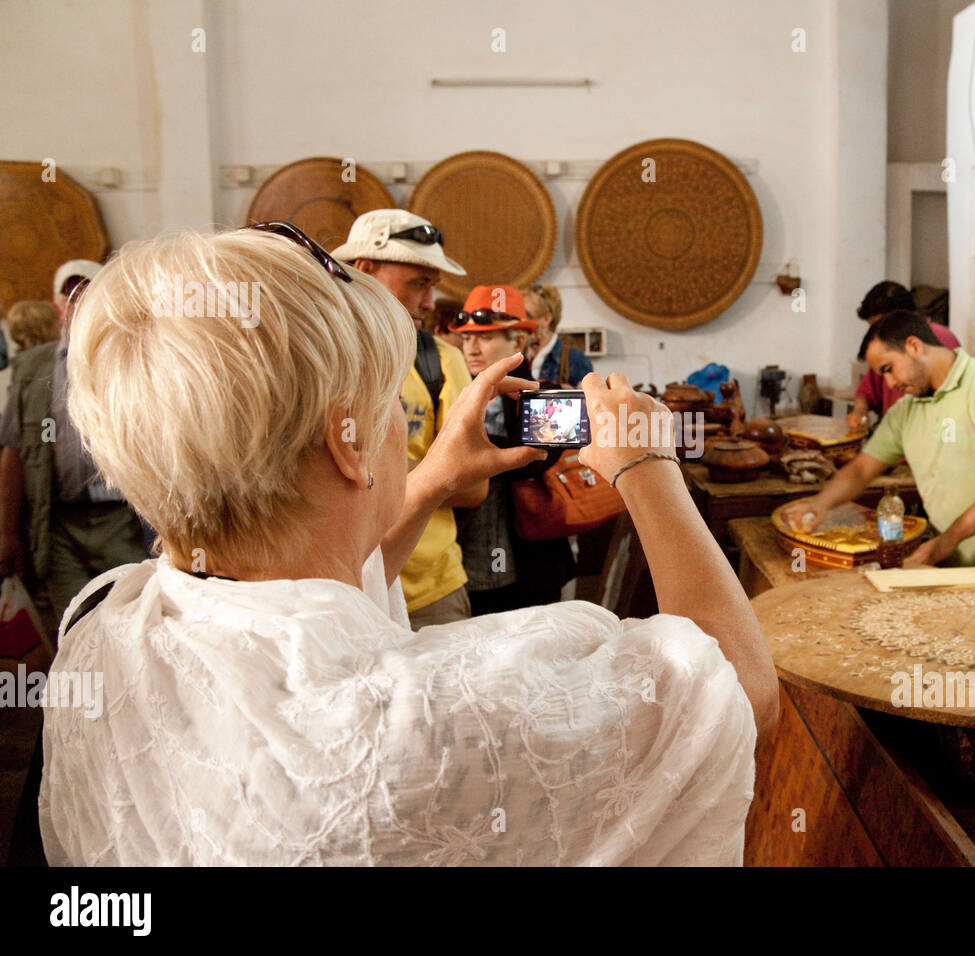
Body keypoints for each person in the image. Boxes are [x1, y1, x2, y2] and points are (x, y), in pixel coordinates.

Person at [39, 224, 776, 865]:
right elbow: (736, 689)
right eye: (390, 403)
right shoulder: (429, 722)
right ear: (347, 444)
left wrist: (428, 482)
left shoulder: (104, 631)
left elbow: (306, 612)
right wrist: (648, 465)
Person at [787, 311, 975, 568]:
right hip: (957, 568)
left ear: (914, 346)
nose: (889, 384)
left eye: (888, 368)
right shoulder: (905, 411)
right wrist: (819, 504)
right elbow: (861, 469)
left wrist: (950, 538)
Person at [333, 210, 485, 627]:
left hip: (431, 591)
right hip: (335, 587)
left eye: (432, 285)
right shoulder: (318, 358)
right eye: (419, 283)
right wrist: (431, 470)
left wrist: (357, 465)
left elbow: (472, 484)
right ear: (366, 270)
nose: (430, 302)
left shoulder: (442, 360)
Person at [0, 260, 148, 637]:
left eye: (87, 292)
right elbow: (13, 452)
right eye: (70, 295)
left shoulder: (134, 357)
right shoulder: (32, 368)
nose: (78, 303)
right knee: (74, 632)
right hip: (58, 526)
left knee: (135, 626)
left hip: (123, 521)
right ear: (57, 305)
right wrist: (7, 532)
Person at [452, 285, 576, 615]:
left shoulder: (549, 394)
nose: (471, 348)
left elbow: (537, 457)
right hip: (464, 566)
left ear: (518, 341)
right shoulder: (453, 394)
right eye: (466, 338)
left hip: (533, 566)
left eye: (485, 337)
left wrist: (467, 445)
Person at [847, 281, 960, 432]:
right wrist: (860, 412)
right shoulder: (886, 351)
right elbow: (866, 392)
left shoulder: (939, 339)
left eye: (880, 327)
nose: (890, 383)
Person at [523, 283, 593, 386]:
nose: (520, 322)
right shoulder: (516, 353)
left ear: (546, 319)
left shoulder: (576, 361)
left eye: (527, 316)